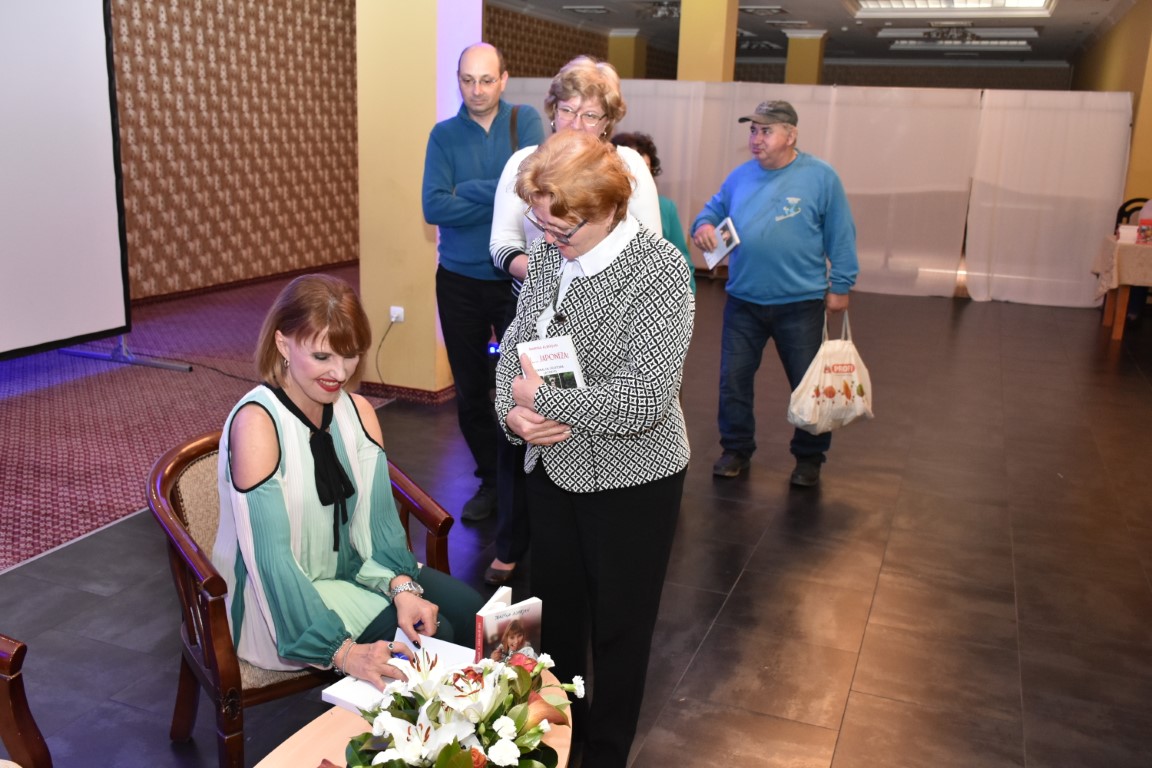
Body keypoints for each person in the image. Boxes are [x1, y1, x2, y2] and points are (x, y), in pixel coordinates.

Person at [494, 131, 693, 768]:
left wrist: (544, 401)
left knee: (619, 634)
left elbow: (646, 399)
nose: (549, 239)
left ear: (607, 209)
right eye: (540, 224)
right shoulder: (548, 256)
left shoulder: (659, 271)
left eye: (563, 229)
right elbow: (514, 350)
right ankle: (556, 746)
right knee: (556, 625)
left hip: (633, 482)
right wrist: (513, 416)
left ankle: (604, 756)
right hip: (553, 472)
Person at [212, 274, 485, 689]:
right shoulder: (258, 424)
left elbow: (377, 527)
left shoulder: (358, 411)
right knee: (431, 642)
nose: (338, 373)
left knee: (472, 613)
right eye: (322, 356)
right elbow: (272, 564)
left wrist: (400, 586)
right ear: (283, 344)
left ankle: (466, 726)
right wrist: (343, 652)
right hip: (275, 606)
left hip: (354, 570)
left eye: (351, 355)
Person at [484, 55, 661, 586]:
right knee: (526, 442)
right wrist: (553, 261)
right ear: (552, 111)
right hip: (538, 311)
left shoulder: (628, 168)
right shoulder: (527, 167)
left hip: (607, 325)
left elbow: (650, 252)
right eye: (567, 111)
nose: (577, 124)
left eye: (590, 115)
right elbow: (501, 244)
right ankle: (514, 543)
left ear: (608, 121)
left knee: (593, 439)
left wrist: (579, 271)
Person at [692, 99, 859, 487]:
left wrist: (841, 285)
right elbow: (710, 212)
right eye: (753, 130)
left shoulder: (821, 177)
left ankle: (810, 458)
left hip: (800, 303)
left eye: (766, 131)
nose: (756, 138)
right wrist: (703, 226)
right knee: (733, 381)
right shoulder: (739, 177)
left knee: (808, 384)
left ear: (791, 135)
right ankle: (736, 449)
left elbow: (841, 234)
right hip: (743, 301)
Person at [421, 43, 545, 523]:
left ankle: (525, 480)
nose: (476, 90)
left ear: (504, 79)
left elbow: (533, 190)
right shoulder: (443, 135)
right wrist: (500, 194)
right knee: (471, 390)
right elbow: (433, 206)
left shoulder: (525, 121)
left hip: (515, 278)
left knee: (525, 384)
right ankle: (492, 481)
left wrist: (467, 191)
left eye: (486, 80)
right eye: (467, 80)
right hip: (458, 281)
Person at [610, 130, 696, 292]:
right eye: (630, 168)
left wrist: (687, 294)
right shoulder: (601, 210)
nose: (638, 176)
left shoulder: (666, 207)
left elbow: (682, 259)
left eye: (645, 169)